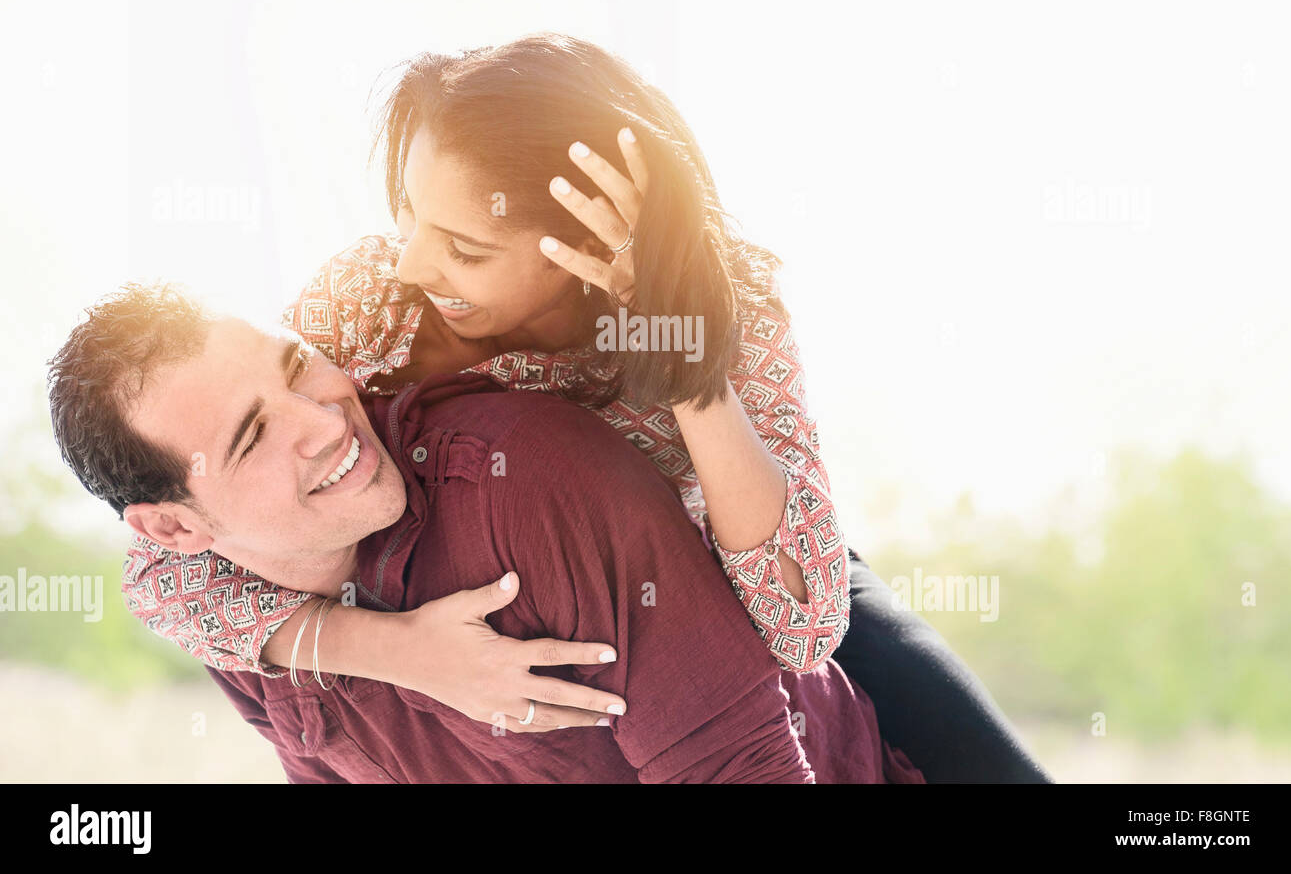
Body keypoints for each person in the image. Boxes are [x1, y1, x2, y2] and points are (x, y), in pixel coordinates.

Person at [117, 33, 1049, 780]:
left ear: (582, 244)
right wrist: (401, 651)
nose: (411, 263)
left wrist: (684, 362)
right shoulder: (371, 295)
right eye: (407, 217)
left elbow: (795, 624)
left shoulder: (735, 309)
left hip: (759, 565)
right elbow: (166, 569)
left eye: (465, 248)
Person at [48, 284, 926, 783]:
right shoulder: (232, 623)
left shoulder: (525, 484)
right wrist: (389, 649)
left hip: (810, 606)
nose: (322, 418)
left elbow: (744, 773)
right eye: (251, 436)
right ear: (174, 525)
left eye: (293, 367)